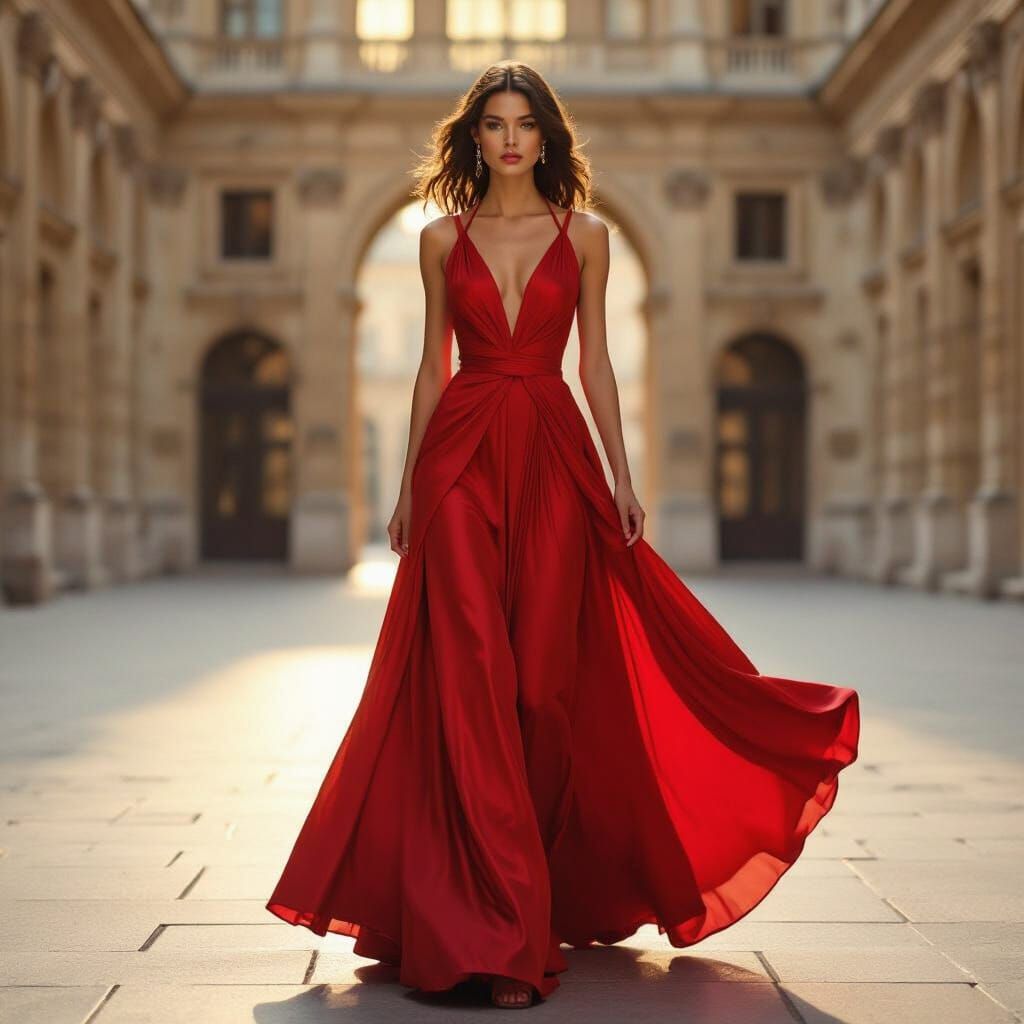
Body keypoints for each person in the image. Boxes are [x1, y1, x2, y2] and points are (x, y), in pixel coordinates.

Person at [266, 60, 860, 1011]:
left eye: (524, 123)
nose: (509, 138)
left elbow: (599, 365)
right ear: (475, 138)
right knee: (467, 676)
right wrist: (410, 487)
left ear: (547, 137)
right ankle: (491, 933)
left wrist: (624, 478)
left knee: (541, 687)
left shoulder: (586, 236)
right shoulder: (435, 240)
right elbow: (430, 369)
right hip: (460, 458)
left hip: (552, 451)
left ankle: (529, 888)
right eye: (493, 123)